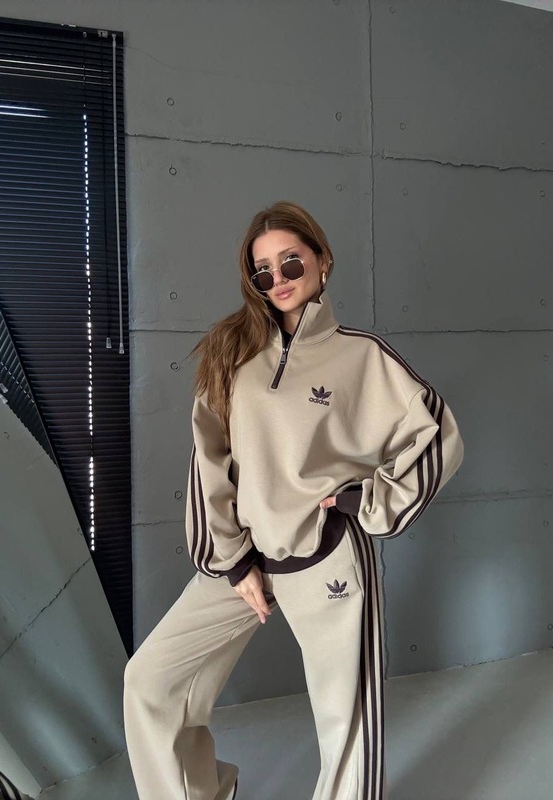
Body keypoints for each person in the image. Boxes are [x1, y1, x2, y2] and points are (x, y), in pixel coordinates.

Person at [123, 200, 465, 800]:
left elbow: (436, 434)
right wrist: (233, 563)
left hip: (329, 556)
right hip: (246, 560)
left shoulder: (361, 356)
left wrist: (369, 500)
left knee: (347, 725)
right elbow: (209, 461)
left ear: (322, 261)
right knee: (151, 682)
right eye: (263, 271)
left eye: (291, 263)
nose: (278, 280)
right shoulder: (232, 352)